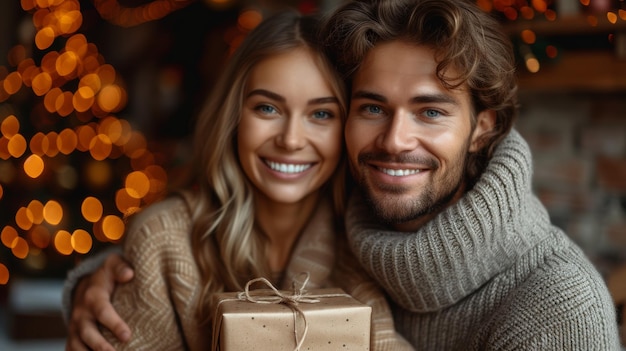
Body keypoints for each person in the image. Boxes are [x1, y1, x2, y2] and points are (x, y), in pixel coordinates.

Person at [67, 0, 622, 349]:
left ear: (484, 127)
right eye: (373, 107)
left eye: (431, 111)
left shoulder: (557, 307)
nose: (394, 141)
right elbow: (194, 247)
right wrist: (99, 281)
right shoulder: (354, 218)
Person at [62, 9, 412, 351]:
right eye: (267, 108)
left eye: (321, 114)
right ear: (234, 117)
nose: (290, 140)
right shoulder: (163, 240)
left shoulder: (364, 246)